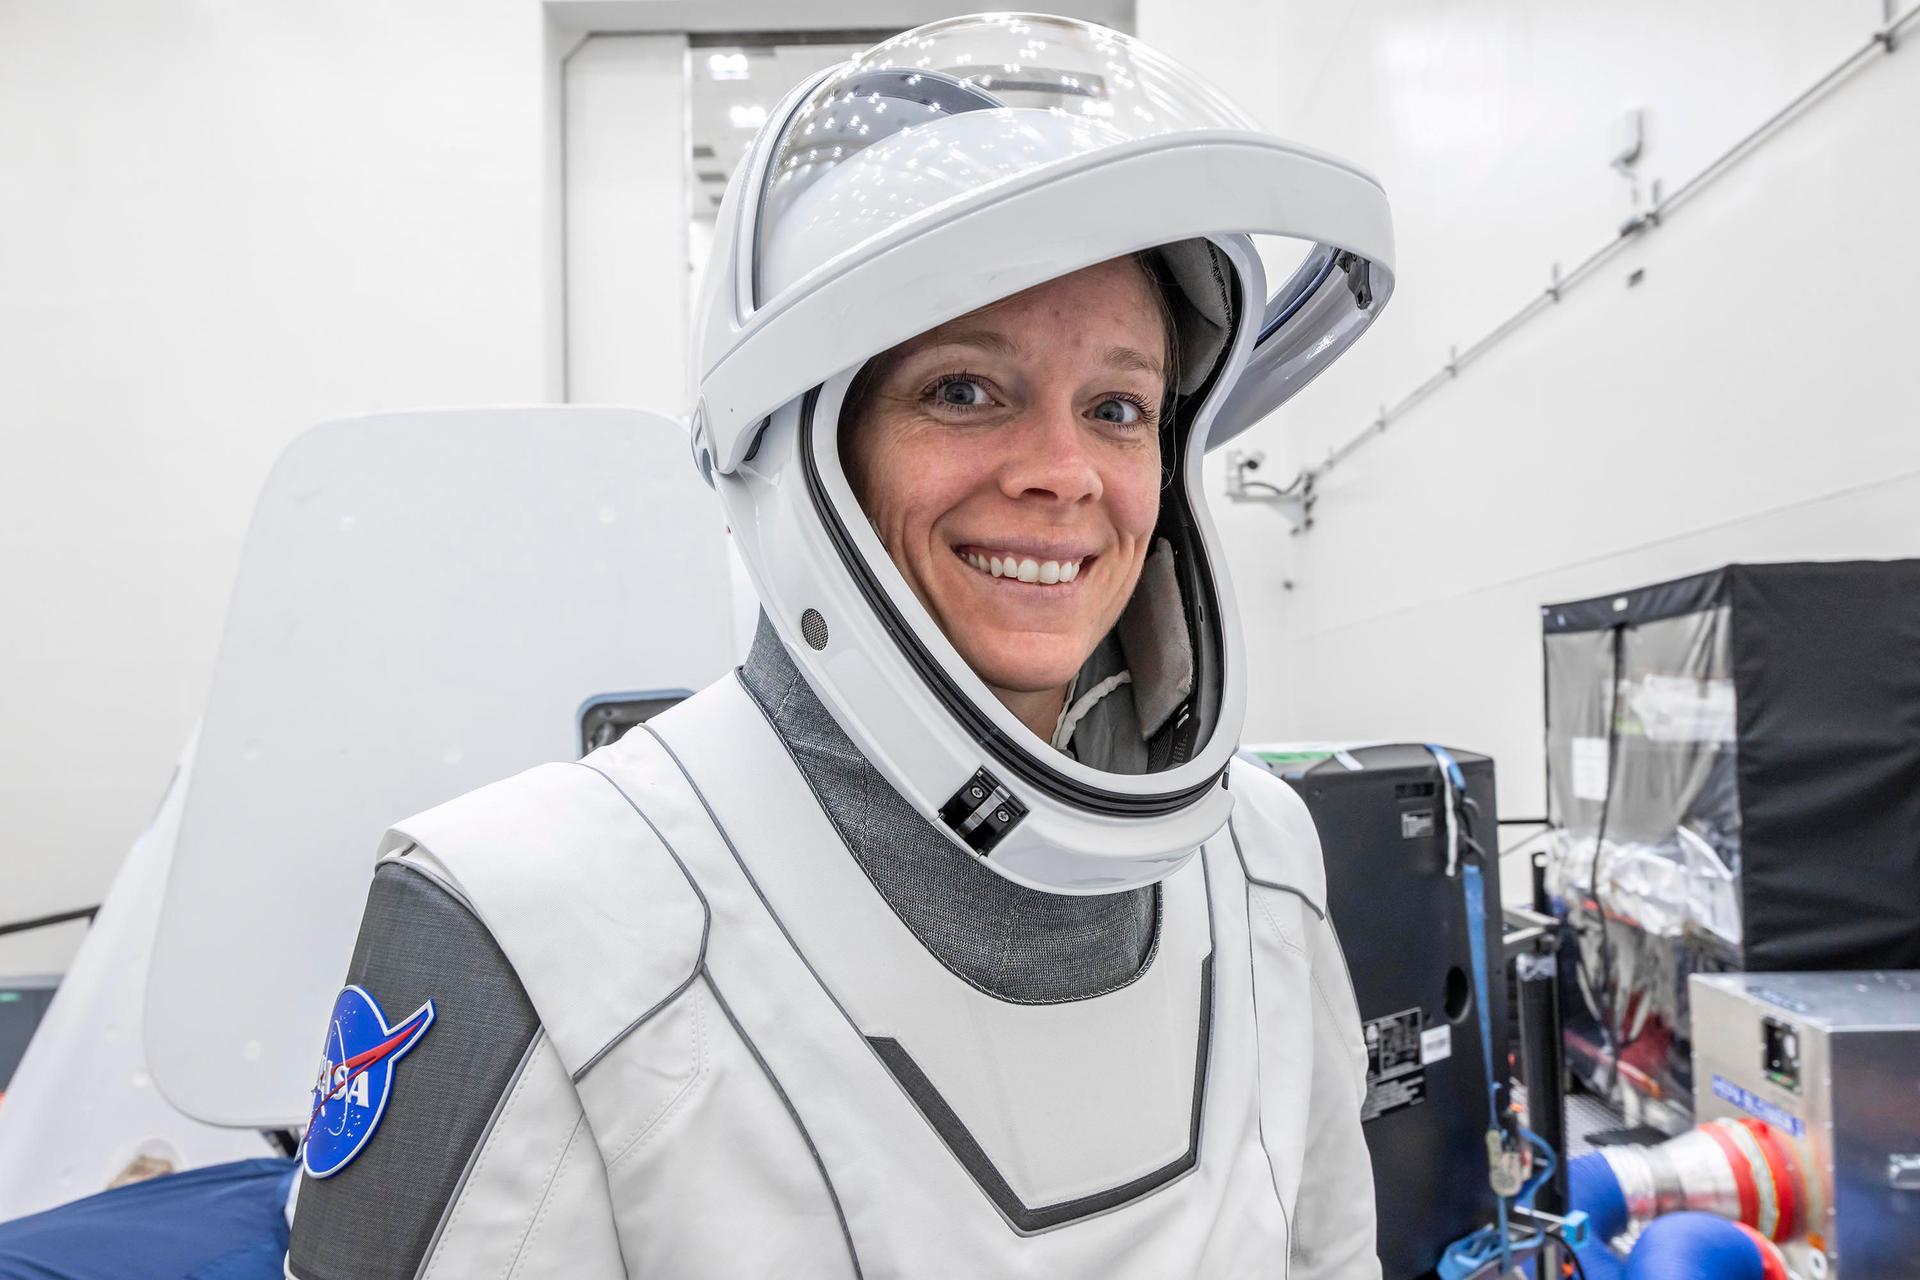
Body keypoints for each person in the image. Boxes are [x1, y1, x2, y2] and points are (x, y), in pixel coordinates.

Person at [285, 13, 1396, 1278]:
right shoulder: (526, 918)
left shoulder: (1260, 858)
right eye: (965, 389)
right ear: (806, 453)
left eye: (1119, 406)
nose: (1065, 472)